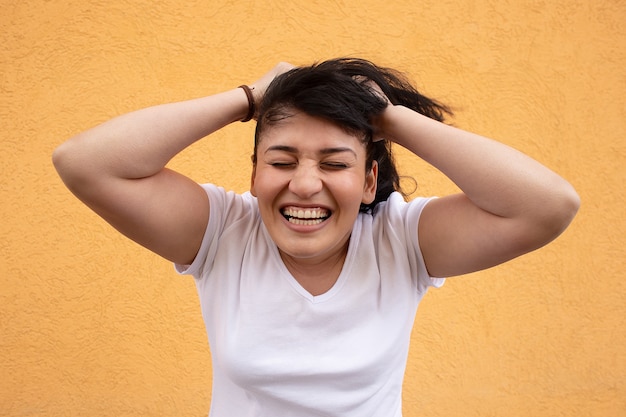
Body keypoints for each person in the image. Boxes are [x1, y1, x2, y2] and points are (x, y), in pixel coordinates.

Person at [52, 58, 580, 416]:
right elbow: (85, 162)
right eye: (281, 161)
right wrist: (253, 97)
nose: (305, 184)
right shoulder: (222, 234)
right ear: (255, 172)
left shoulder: (401, 241)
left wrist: (387, 117)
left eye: (335, 163)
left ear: (369, 180)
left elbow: (548, 206)